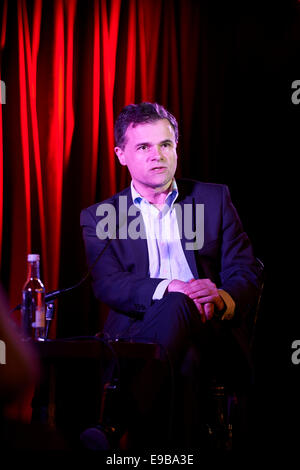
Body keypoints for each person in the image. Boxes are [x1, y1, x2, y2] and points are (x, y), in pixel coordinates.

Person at [80, 102, 262, 448]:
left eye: (165, 145)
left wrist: (223, 296)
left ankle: (115, 421)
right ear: (121, 154)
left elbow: (245, 269)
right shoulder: (101, 215)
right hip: (137, 333)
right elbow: (107, 283)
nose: (157, 155)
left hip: (212, 327)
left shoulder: (213, 199)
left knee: (185, 326)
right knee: (186, 360)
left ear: (176, 148)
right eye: (143, 147)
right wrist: (171, 288)